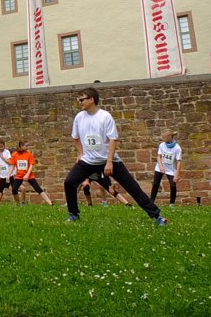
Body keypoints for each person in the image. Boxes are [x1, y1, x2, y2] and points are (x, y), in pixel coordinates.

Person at [64, 87, 167, 225]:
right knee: (69, 182)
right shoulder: (79, 117)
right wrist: (81, 153)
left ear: (91, 99)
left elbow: (113, 139)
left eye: (82, 99)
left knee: (132, 187)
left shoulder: (105, 116)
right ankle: (73, 214)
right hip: (88, 161)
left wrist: (109, 162)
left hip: (109, 160)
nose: (79, 102)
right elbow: (75, 138)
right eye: (79, 100)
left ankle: (157, 216)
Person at [9, 141, 53, 206]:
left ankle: (50, 203)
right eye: (25, 146)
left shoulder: (29, 154)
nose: (27, 147)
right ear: (21, 146)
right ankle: (17, 205)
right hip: (19, 176)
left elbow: (31, 165)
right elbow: (12, 166)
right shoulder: (15, 155)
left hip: (29, 176)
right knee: (14, 189)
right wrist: (8, 175)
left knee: (37, 188)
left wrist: (27, 175)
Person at [150, 129, 182, 206]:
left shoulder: (177, 148)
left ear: (169, 137)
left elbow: (179, 162)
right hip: (159, 167)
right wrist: (161, 166)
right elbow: (158, 156)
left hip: (171, 170)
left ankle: (172, 204)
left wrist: (177, 174)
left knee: (173, 185)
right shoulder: (162, 145)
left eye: (164, 137)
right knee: (155, 184)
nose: (163, 139)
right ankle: (151, 201)